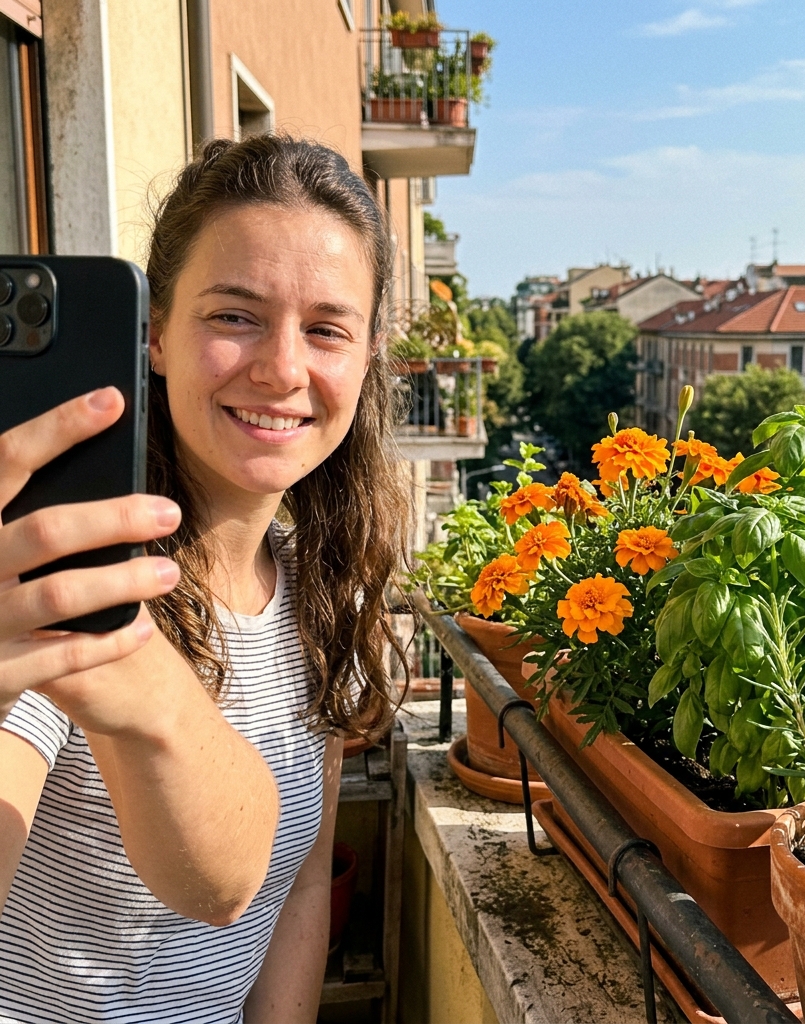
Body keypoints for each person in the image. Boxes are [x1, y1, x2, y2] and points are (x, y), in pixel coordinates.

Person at [0, 134, 407, 1023]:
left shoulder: (319, 587)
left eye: (327, 330)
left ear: (368, 354)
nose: (283, 369)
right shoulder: (71, 582)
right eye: (234, 317)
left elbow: (297, 886)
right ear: (154, 335)